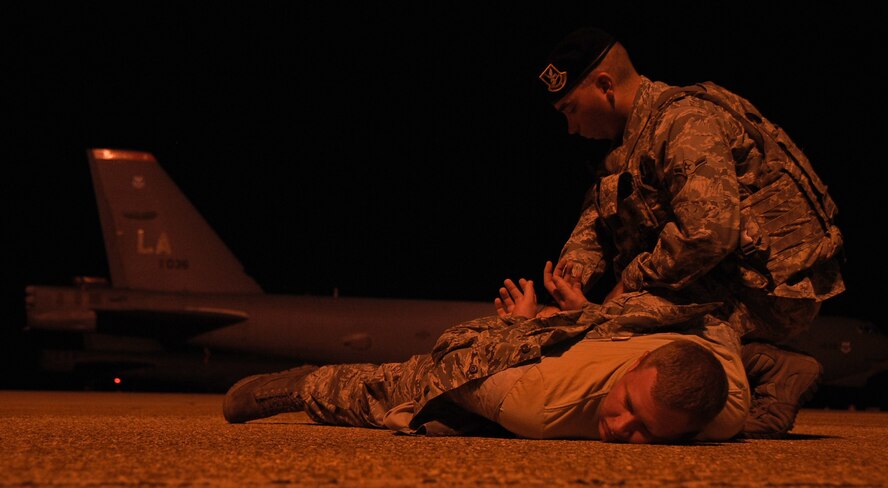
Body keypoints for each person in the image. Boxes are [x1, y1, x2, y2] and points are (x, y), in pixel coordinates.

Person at [538, 27, 844, 437]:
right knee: (595, 320)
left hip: (765, 291)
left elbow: (710, 233)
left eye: (570, 110)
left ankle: (767, 370)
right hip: (727, 282)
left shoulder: (683, 122)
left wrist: (625, 287)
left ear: (605, 85)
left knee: (614, 328)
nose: (570, 127)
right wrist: (572, 273)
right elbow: (598, 214)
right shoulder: (629, 144)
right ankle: (749, 360)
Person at [224, 263, 748, 444]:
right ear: (635, 367)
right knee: (407, 389)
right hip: (516, 367)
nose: (621, 425)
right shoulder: (538, 402)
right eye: (629, 404)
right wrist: (520, 329)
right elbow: (453, 350)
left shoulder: (722, 410)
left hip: (598, 341)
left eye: (648, 432)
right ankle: (300, 386)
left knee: (448, 424)